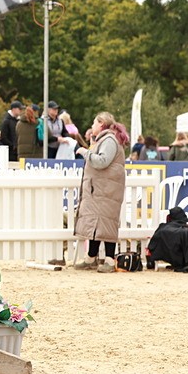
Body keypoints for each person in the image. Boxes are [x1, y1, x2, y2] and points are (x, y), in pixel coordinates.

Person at [72, 112, 129, 272]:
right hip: (101, 189)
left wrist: (85, 152)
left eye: (94, 123)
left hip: (106, 190)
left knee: (106, 222)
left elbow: (102, 161)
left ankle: (110, 261)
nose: (92, 126)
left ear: (102, 124)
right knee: (97, 222)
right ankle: (91, 256)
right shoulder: (105, 140)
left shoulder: (109, 140)